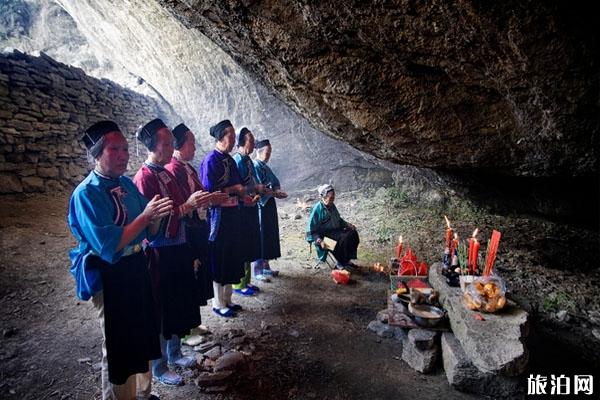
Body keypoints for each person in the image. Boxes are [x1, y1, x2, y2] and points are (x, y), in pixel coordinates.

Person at [68, 120, 172, 400]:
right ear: (97, 154)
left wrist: (156, 219)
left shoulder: (126, 184)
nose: (124, 155)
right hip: (111, 274)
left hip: (137, 267)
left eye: (125, 149)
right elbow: (107, 243)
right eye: (115, 149)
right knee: (118, 344)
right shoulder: (86, 193)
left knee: (142, 330)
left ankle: (144, 392)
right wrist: (145, 217)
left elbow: (148, 230)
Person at [133, 118, 211, 386]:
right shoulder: (144, 178)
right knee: (162, 310)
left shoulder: (165, 172)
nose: (171, 147)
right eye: (167, 143)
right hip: (159, 253)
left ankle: (175, 353)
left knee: (177, 303)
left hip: (178, 246)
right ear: (153, 146)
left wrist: (192, 205)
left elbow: (180, 207)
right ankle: (159, 367)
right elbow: (155, 223)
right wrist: (188, 206)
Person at [165, 123, 228, 307]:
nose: (194, 147)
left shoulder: (187, 167)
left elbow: (199, 193)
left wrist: (211, 197)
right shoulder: (173, 168)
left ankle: (193, 323)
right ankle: (189, 328)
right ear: (180, 144)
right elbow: (185, 201)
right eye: (191, 143)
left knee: (197, 271)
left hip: (196, 225)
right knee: (190, 271)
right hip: (186, 228)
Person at [199, 120, 246, 318]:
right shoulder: (211, 160)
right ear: (220, 138)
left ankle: (228, 299)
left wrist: (244, 194)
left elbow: (239, 184)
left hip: (233, 214)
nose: (234, 141)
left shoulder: (230, 160)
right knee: (220, 258)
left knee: (232, 256)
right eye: (231, 137)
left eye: (235, 137)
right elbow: (207, 192)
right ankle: (218, 303)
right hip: (218, 218)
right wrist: (232, 190)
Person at [232, 127, 263, 295]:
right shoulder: (237, 161)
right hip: (242, 208)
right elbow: (238, 187)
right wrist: (253, 189)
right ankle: (239, 284)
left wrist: (257, 190)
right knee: (243, 245)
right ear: (242, 143)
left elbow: (252, 181)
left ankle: (247, 281)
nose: (253, 144)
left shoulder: (248, 161)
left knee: (250, 243)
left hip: (252, 205)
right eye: (251, 141)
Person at [252, 139, 288, 279]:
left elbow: (275, 182)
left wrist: (278, 190)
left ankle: (266, 267)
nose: (269, 155)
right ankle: (257, 271)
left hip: (269, 205)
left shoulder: (265, 167)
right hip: (260, 206)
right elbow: (260, 188)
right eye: (267, 152)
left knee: (269, 235)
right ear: (259, 152)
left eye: (270, 152)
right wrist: (275, 193)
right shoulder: (254, 166)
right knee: (260, 236)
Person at [305, 184, 360, 269]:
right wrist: (320, 241)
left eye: (333, 197)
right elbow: (312, 230)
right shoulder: (317, 209)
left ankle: (346, 260)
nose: (333, 199)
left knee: (352, 233)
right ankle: (340, 263)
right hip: (322, 236)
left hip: (334, 232)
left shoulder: (331, 205)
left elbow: (338, 219)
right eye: (331, 198)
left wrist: (347, 224)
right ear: (324, 197)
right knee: (343, 240)